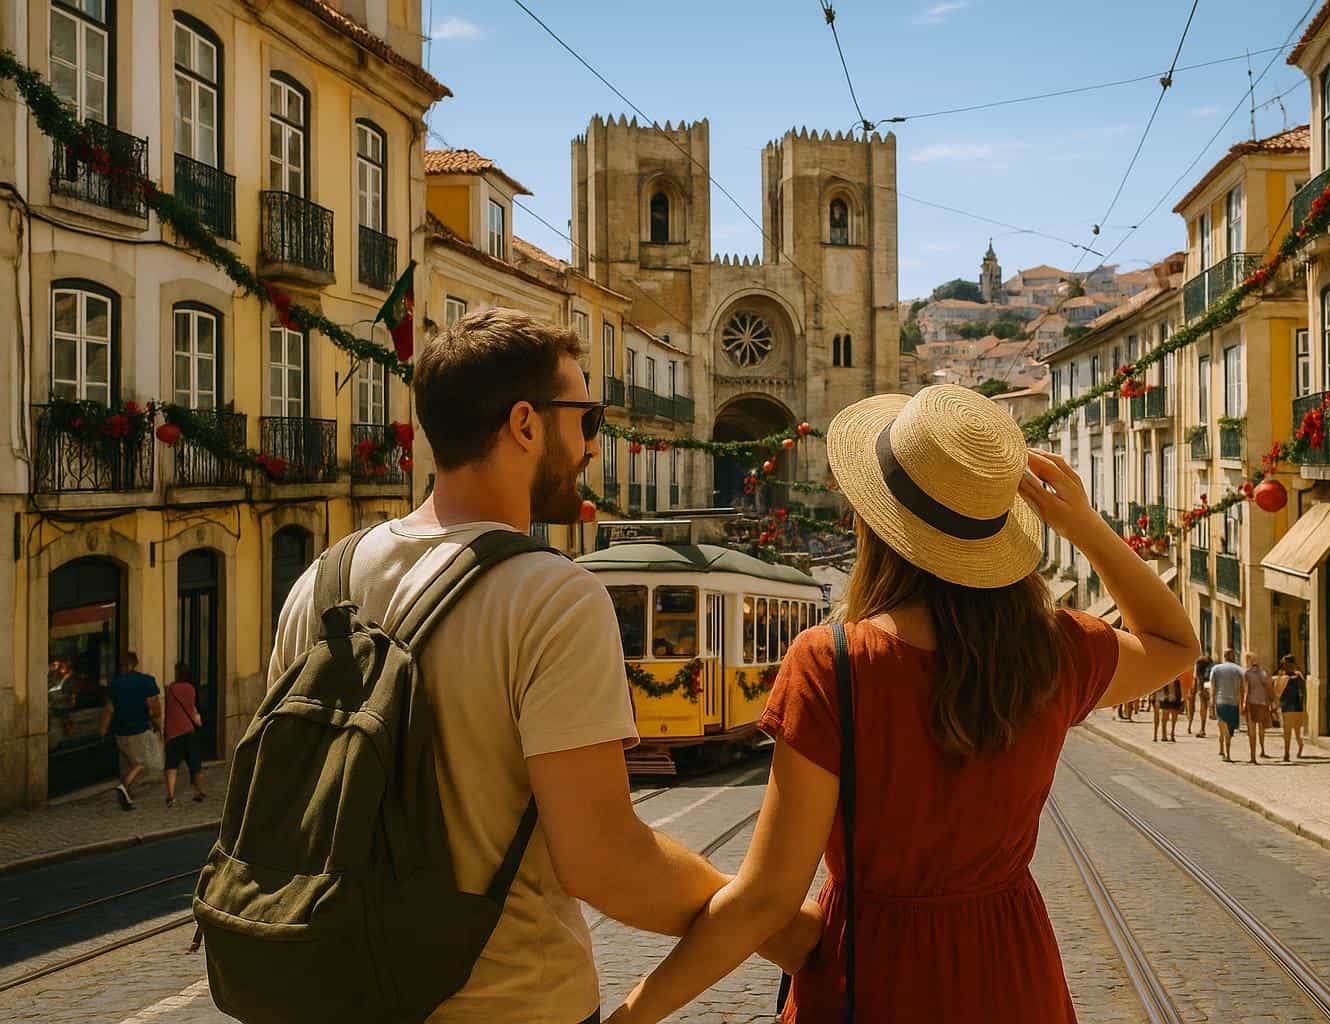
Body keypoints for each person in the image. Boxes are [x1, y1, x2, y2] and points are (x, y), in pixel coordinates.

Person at [265, 310, 817, 1024]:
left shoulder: (321, 582)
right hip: (509, 1003)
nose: (593, 446)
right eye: (586, 420)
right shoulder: (551, 596)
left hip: (332, 998)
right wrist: (773, 924)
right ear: (526, 424)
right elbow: (604, 861)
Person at [603, 386, 1201, 1023]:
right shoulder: (1054, 651)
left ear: (871, 525)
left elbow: (765, 902)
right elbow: (1173, 644)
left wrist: (634, 1014)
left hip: (873, 975)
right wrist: (1082, 526)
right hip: (1013, 975)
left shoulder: (833, 662)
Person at [100, 652, 161, 811]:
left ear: (123, 666)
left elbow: (109, 710)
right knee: (142, 763)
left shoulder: (114, 684)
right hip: (138, 730)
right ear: (135, 664)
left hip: (120, 731)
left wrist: (103, 731)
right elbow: (155, 708)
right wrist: (157, 722)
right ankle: (124, 787)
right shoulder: (146, 681)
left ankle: (127, 797)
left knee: (128, 764)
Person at [163, 663, 207, 806]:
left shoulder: (170, 689)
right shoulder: (190, 689)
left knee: (171, 765)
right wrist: (198, 720)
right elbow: (191, 708)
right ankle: (198, 791)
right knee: (195, 763)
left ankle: (170, 795)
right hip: (188, 730)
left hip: (172, 731)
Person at [1208, 649, 1244, 763]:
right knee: (1229, 730)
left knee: (1222, 727)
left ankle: (1223, 750)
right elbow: (1243, 688)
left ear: (1224, 656)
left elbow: (1212, 687)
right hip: (1233, 703)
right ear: (1233, 656)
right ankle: (1226, 752)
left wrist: (1211, 702)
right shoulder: (1239, 669)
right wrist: (1242, 702)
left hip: (1220, 701)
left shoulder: (1216, 668)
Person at [1240, 652, 1276, 763]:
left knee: (1251, 730)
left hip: (1251, 703)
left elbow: (1245, 690)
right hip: (1263, 703)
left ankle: (1253, 757)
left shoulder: (1246, 673)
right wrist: (1271, 701)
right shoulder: (1264, 672)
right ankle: (1263, 750)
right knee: (1261, 729)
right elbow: (1269, 688)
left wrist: (1243, 705)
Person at [1276, 654, 1307, 762]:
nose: (1286, 666)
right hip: (1287, 706)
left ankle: (1299, 747)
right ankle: (1286, 753)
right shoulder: (1283, 676)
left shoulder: (1298, 675)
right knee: (1287, 731)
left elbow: (1303, 690)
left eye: (1287, 664)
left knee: (1297, 732)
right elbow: (1278, 691)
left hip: (1296, 705)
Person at [1189, 652, 1213, 736]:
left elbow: (1197, 678)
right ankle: (1202, 727)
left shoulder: (1198, 664)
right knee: (1205, 706)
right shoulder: (1210, 665)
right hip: (1208, 685)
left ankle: (1200, 728)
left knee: (1202, 707)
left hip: (1202, 686)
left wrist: (1196, 689)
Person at [1153, 675, 1183, 742]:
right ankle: (1162, 734)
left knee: (1174, 714)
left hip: (1173, 687)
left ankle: (1172, 734)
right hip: (1164, 687)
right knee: (1164, 714)